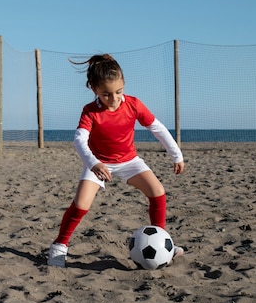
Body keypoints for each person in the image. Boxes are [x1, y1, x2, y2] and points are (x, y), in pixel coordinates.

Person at [47, 54, 185, 268]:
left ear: (124, 85)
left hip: (130, 161)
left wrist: (176, 155)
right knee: (81, 204)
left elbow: (157, 128)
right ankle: (59, 246)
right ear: (94, 89)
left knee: (157, 192)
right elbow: (79, 140)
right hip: (98, 163)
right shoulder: (90, 111)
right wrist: (94, 164)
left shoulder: (133, 104)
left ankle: (161, 241)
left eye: (118, 92)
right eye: (106, 94)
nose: (114, 99)